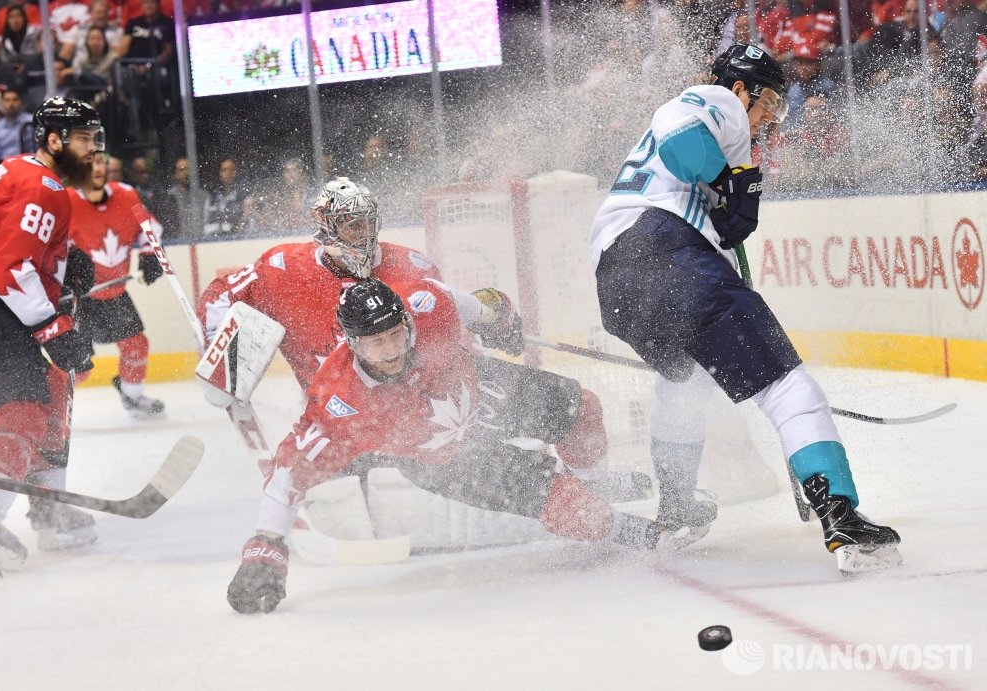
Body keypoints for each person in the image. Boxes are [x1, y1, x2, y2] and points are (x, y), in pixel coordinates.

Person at [590, 43, 902, 573]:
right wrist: (729, 176)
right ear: (740, 89)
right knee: (788, 387)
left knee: (683, 385)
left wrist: (729, 200)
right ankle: (842, 518)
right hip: (665, 251)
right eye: (769, 102)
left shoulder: (717, 144)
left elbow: (716, 216)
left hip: (617, 283)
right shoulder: (718, 102)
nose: (768, 118)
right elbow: (679, 137)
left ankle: (677, 506)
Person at [225, 278, 669, 614]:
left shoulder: (427, 306)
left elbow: (472, 304)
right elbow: (288, 471)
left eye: (396, 334)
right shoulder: (341, 403)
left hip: (483, 390)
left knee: (583, 408)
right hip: (444, 460)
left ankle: (598, 484)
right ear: (353, 343)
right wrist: (265, 548)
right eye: (376, 343)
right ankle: (622, 526)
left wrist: (500, 320)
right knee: (577, 511)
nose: (392, 350)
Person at [197, 177, 651, 496]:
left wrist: (491, 334)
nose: (364, 235)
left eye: (368, 223)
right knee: (307, 464)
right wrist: (219, 348)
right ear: (326, 228)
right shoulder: (282, 268)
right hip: (352, 418)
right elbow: (222, 294)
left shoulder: (410, 265)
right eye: (352, 225)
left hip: (431, 402)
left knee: (571, 407)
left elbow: (449, 327)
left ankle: (587, 489)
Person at [0, 97, 104, 568]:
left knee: (51, 389)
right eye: (82, 138)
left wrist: (64, 264)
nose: (92, 149)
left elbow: (12, 245)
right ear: (54, 140)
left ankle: (48, 510)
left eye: (94, 138)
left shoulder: (23, 170)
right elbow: (8, 267)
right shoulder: (45, 187)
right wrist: (53, 328)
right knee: (22, 405)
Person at [67, 150, 166, 418]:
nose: (97, 171)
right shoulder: (66, 203)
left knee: (136, 345)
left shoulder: (126, 195)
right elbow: (50, 248)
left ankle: (132, 396)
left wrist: (150, 254)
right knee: (78, 368)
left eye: (101, 164)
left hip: (114, 292)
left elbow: (151, 229)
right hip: (78, 300)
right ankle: (47, 406)